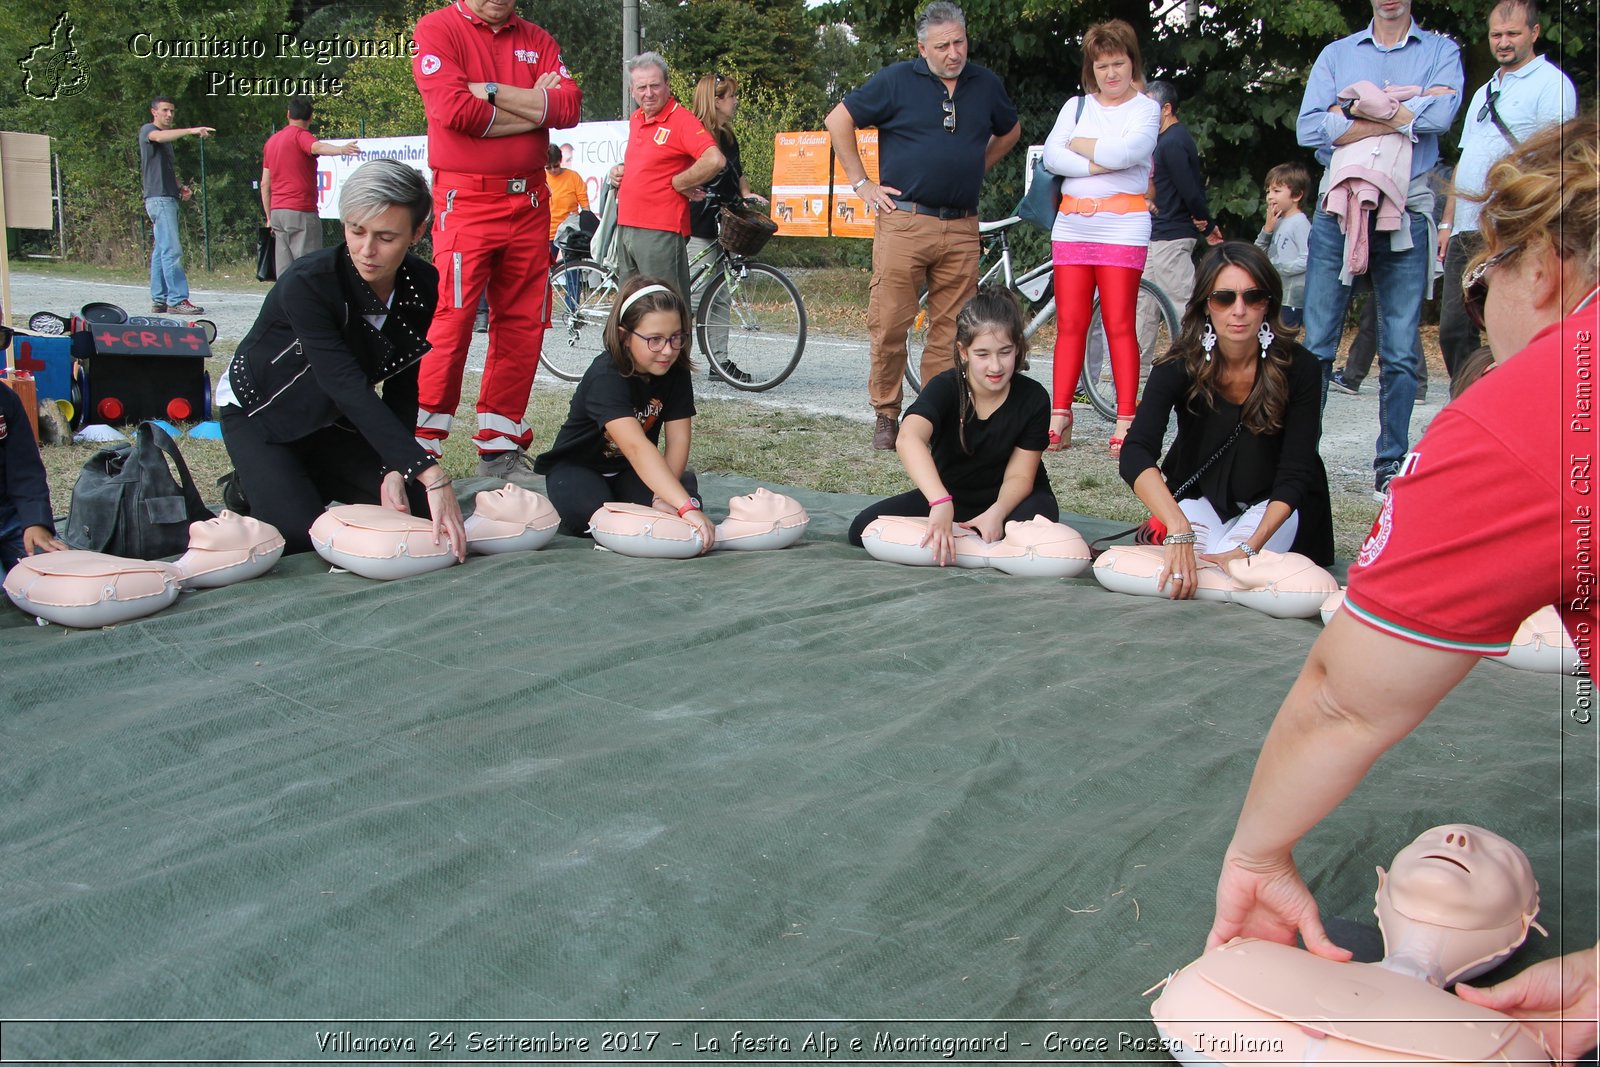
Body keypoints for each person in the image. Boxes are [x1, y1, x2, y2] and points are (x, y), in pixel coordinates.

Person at [1207, 118, 1598, 1065]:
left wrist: (1257, 856)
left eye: (1475, 285)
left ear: (1537, 265)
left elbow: (1347, 697)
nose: (1477, 317)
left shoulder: (1543, 405)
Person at [218, 159, 465, 560]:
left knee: (418, 514)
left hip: (332, 421)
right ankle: (251, 484)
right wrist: (430, 472)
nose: (367, 250)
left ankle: (304, 478)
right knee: (298, 538)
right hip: (263, 413)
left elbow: (403, 384)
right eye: (356, 230)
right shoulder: (307, 282)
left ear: (418, 232)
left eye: (386, 237)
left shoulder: (421, 283)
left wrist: (395, 468)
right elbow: (345, 383)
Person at [824, 1, 1021, 451]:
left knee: (952, 331)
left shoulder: (984, 84)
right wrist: (862, 183)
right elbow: (839, 120)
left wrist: (977, 164)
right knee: (891, 323)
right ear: (922, 48)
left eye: (960, 42)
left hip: (961, 226)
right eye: (943, 46)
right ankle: (887, 413)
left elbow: (1010, 130)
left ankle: (933, 416)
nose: (954, 52)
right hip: (904, 221)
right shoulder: (897, 80)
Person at [1296, 0, 1461, 499]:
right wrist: (1402, 113)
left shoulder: (1440, 50)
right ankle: (1298, 459)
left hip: (1407, 209)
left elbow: (1444, 116)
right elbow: (1308, 128)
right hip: (1335, 210)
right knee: (1317, 345)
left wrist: (1352, 111)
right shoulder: (1337, 53)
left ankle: (1390, 465)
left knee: (1401, 351)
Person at [409, 0, 581, 479]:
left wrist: (488, 90)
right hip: (465, 200)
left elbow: (567, 107)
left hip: (529, 202)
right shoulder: (437, 29)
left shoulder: (538, 39)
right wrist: (532, 106)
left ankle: (500, 446)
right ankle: (420, 444)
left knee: (524, 322)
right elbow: (455, 111)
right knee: (452, 317)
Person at [1119, 241, 1334, 600]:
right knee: (1183, 570)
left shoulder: (1301, 368)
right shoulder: (1176, 366)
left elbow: (1296, 473)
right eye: (1224, 298)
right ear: (1206, 304)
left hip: (1274, 505)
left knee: (1232, 574)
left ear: (1269, 303)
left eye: (1253, 297)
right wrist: (1176, 525)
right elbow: (1135, 453)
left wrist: (1249, 548)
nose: (1239, 311)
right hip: (1202, 499)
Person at [847, 287, 1056, 563]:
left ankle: (971, 538)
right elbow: (908, 438)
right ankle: (977, 542)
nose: (995, 366)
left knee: (1043, 522)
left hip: (1012, 501)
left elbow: (1020, 476)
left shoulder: (1034, 397)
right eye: (983, 354)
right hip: (950, 497)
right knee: (862, 528)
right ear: (963, 351)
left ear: (1017, 347)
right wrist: (940, 502)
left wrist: (997, 512)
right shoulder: (945, 387)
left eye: (1005, 352)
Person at [1436, 0, 1575, 386]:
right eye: (1497, 34)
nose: (1503, 42)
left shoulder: (1553, 84)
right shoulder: (1483, 92)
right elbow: (1464, 161)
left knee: (1514, 327)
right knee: (1453, 330)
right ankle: (1465, 413)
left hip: (1516, 227)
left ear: (1534, 32)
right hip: (1467, 228)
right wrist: (1447, 221)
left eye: (1513, 33)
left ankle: (1517, 405)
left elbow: (1557, 160)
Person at [1041, 19, 1160, 456]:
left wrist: (1082, 147)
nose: (1111, 73)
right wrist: (1099, 162)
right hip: (1071, 224)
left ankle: (1127, 418)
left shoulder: (1146, 109)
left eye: (1118, 63)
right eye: (1102, 65)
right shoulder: (1076, 106)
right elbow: (1054, 156)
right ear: (1092, 67)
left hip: (1123, 226)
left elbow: (1129, 153)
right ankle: (1060, 417)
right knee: (1070, 323)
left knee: (1118, 323)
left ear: (1133, 63)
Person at [533, 276, 711, 552]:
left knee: (679, 487)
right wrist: (685, 506)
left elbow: (678, 441)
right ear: (625, 335)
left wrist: (665, 498)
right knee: (587, 512)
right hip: (578, 468)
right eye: (655, 340)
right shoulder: (605, 376)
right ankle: (624, 525)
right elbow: (637, 447)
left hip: (630, 470)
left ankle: (652, 511)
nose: (668, 350)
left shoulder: (675, 370)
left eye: (676, 337)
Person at [608, 53, 725, 306]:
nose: (648, 93)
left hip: (660, 230)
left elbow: (714, 159)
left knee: (664, 308)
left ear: (667, 85)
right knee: (632, 308)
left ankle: (676, 348)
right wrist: (620, 171)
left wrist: (680, 182)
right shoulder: (637, 119)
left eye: (654, 85)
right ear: (632, 90)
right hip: (628, 225)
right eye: (641, 87)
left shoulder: (681, 119)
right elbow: (649, 164)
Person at [688, 72, 769, 384]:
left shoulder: (728, 136)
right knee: (692, 296)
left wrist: (746, 194)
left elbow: (738, 172)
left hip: (725, 217)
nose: (735, 101)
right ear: (716, 101)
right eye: (731, 96)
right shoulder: (696, 133)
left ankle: (718, 363)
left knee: (720, 294)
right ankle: (676, 360)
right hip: (699, 219)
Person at [1142, 81, 1222, 361]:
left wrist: (1207, 223)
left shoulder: (1175, 141)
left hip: (1173, 237)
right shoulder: (1160, 141)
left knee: (1183, 305)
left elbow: (1190, 191)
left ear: (1166, 109)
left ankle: (1201, 363)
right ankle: (1133, 375)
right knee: (1143, 306)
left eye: (1148, 103)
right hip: (1155, 236)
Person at [260, 97, 361, 271]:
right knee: (309, 267)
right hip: (301, 211)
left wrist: (269, 216)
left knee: (285, 271)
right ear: (311, 118)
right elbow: (317, 147)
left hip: (278, 213)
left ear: (288, 115)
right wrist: (341, 150)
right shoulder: (301, 136)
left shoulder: (272, 142)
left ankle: (286, 298)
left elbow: (265, 184)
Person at [139, 96, 213, 316]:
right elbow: (158, 136)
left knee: (162, 249)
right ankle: (177, 300)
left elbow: (165, 168)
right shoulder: (148, 130)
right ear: (154, 112)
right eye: (165, 110)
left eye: (172, 111)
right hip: (159, 199)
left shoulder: (165, 141)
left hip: (166, 196)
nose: (169, 115)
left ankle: (159, 299)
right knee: (172, 250)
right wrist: (191, 130)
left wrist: (180, 186)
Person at [0, 367, 67, 573]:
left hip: (10, 516)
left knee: (57, 575)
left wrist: (36, 522)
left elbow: (25, 469)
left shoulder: (5, 399)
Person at [1254, 162, 1310, 336]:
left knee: (1283, 339)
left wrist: (1278, 269)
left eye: (1277, 191)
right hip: (1276, 294)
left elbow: (1308, 259)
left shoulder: (1300, 223)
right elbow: (1256, 255)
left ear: (1297, 195)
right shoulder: (1276, 222)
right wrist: (1267, 230)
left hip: (1292, 297)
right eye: (1268, 191)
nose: (1270, 197)